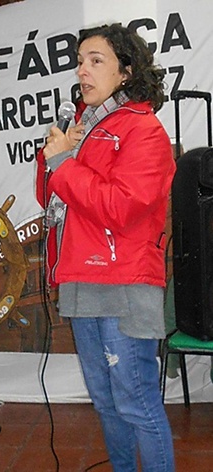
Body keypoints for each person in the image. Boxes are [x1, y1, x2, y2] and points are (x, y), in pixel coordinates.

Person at [36, 24, 176, 471]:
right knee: (106, 403)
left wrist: (64, 162)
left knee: (136, 402)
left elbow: (120, 207)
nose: (83, 71)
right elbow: (49, 199)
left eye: (96, 61)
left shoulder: (144, 130)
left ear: (125, 72)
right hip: (80, 278)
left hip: (125, 283)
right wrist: (55, 154)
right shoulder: (85, 127)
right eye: (80, 61)